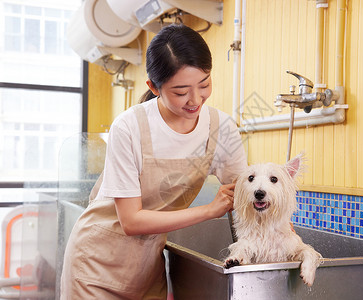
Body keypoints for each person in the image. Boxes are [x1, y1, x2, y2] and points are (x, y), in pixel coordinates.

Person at [60, 23, 247, 299]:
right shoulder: (129, 126)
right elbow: (132, 221)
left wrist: (282, 233)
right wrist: (209, 210)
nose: (196, 99)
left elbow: (247, 194)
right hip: (95, 268)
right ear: (153, 86)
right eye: (181, 91)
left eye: (205, 84)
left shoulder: (222, 128)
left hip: (147, 270)